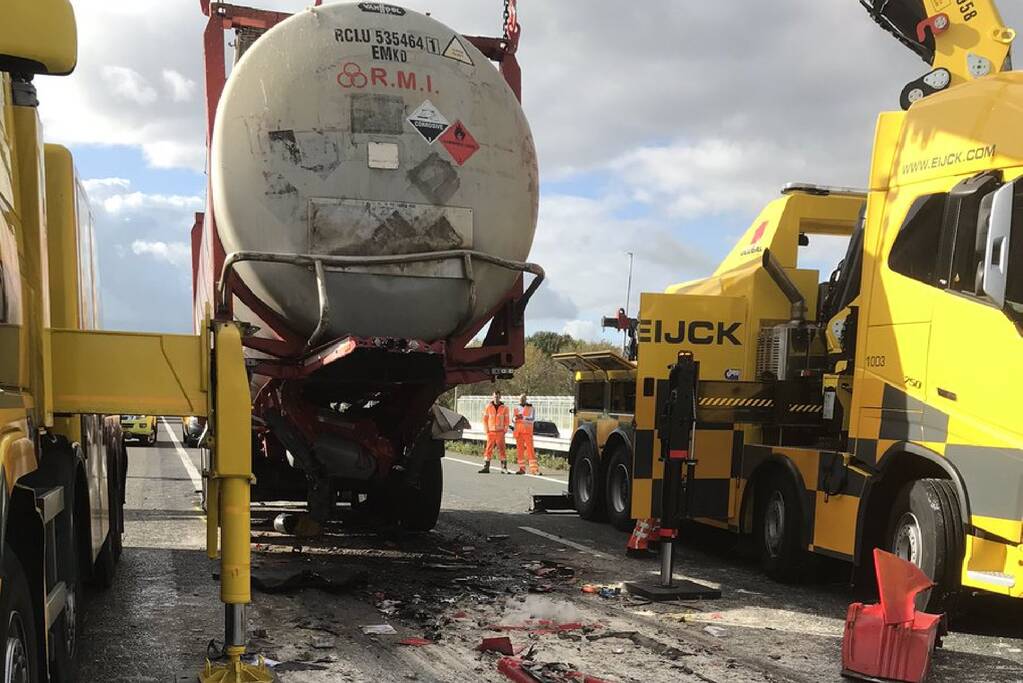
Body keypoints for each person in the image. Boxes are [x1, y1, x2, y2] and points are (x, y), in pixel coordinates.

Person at [479, 390, 510, 473]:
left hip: (500, 432)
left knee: (502, 449)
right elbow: (485, 419)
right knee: (488, 449)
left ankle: (504, 467)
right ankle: (486, 467)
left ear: (500, 397)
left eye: (497, 397)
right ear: (493, 397)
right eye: (495, 396)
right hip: (491, 432)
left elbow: (507, 420)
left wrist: (505, 430)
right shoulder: (488, 407)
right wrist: (486, 430)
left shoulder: (505, 408)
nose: (496, 398)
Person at [513, 394, 540, 475]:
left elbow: (532, 419)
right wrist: (515, 418)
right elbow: (513, 419)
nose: (521, 400)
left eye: (523, 398)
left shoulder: (531, 408)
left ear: (526, 399)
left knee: (530, 451)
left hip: (527, 432)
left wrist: (522, 417)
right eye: (520, 398)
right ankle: (522, 469)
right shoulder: (516, 408)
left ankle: (534, 469)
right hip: (518, 433)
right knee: (520, 451)